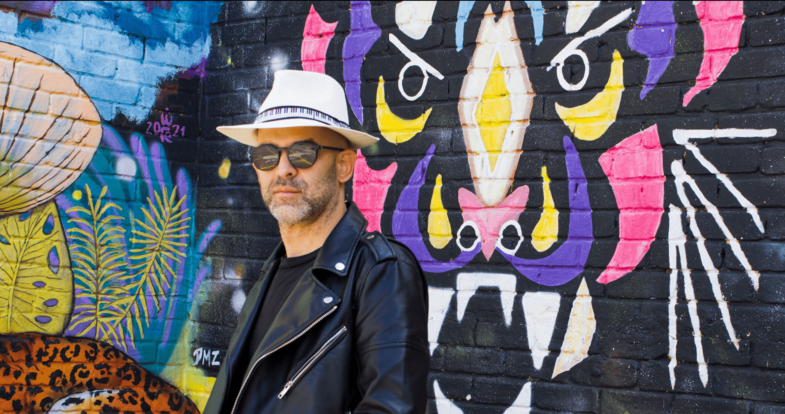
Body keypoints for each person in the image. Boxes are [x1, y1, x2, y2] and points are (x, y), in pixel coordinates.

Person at [203, 70, 429, 414]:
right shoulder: (271, 272)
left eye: (303, 152)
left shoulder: (382, 272)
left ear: (344, 166)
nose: (283, 169)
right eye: (267, 155)